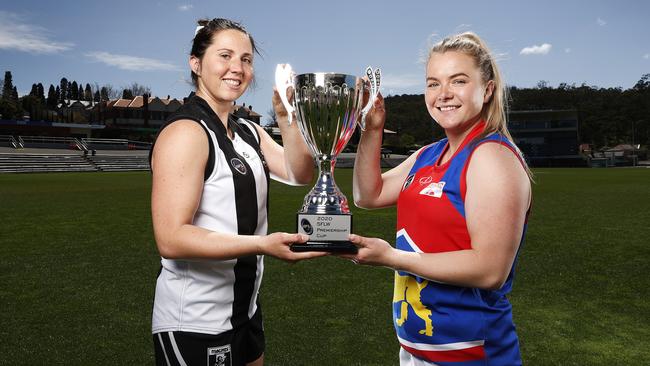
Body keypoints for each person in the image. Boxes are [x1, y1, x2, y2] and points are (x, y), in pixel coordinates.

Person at [344, 32, 532, 365]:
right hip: (417, 350)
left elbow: (490, 270)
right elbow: (367, 194)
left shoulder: (491, 158)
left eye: (458, 81)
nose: (443, 95)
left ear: (487, 90)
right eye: (433, 84)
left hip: (473, 355)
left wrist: (391, 257)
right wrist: (372, 130)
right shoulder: (429, 154)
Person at [149, 18, 324, 366]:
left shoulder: (247, 130)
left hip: (244, 313)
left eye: (245, 59)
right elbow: (171, 238)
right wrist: (263, 244)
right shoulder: (186, 132)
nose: (237, 68)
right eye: (224, 55)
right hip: (195, 322)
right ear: (196, 63)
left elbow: (299, 172)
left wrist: (286, 117)